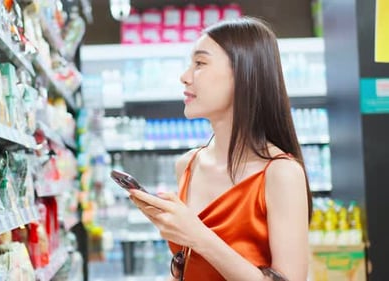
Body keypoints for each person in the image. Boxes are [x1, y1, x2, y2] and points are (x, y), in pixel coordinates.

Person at [129, 16, 311, 281]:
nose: (184, 77)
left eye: (200, 63)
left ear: (244, 73)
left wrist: (199, 236)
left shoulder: (281, 173)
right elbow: (188, 268)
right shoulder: (188, 165)